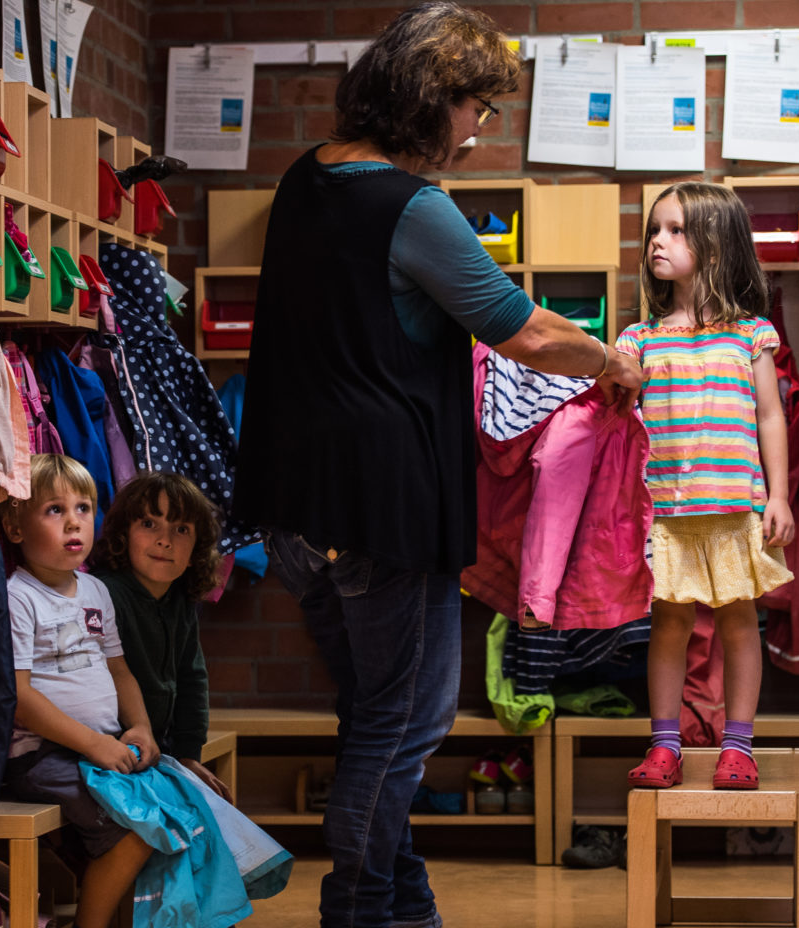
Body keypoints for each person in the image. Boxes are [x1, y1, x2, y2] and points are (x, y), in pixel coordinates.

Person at [232, 4, 644, 926]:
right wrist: (616, 361)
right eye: (477, 107)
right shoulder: (412, 208)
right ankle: (360, 905)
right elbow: (523, 327)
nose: (478, 129)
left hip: (300, 510)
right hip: (382, 509)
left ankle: (404, 901)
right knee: (405, 724)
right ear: (432, 99)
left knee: (374, 718)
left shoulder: (306, 181)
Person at [619, 183, 796, 792]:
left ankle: (738, 747)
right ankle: (665, 745)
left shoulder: (751, 336)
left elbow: (772, 416)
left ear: (715, 247)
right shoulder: (639, 341)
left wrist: (778, 496)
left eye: (674, 230)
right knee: (667, 626)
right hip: (666, 512)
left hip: (735, 508)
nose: (657, 242)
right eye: (654, 231)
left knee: (739, 624)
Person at [0, 454, 160, 928]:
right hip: (43, 755)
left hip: (101, 747)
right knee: (136, 830)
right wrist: (95, 745)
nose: (74, 522)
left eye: (84, 508)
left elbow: (119, 671)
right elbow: (21, 698)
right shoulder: (17, 597)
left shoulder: (95, 592)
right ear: (15, 529)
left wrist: (141, 727)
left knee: (171, 808)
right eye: (54, 510)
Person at [91, 471, 232, 801]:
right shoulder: (104, 594)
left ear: (197, 546)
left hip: (158, 746)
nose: (165, 540)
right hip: (109, 752)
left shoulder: (180, 599)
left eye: (181, 529)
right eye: (149, 524)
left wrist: (188, 756)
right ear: (124, 532)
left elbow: (192, 678)